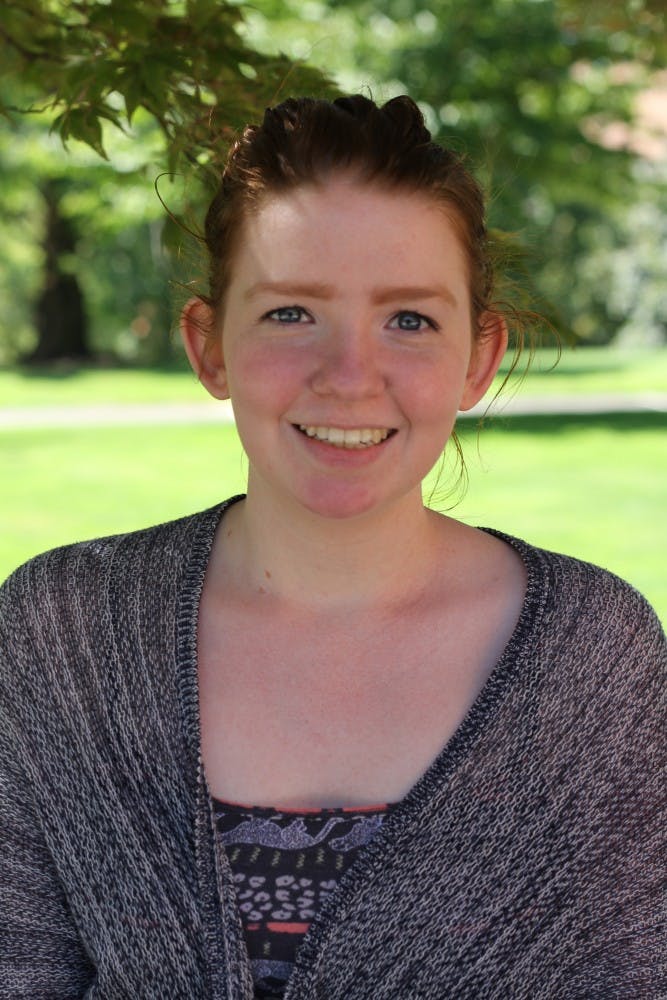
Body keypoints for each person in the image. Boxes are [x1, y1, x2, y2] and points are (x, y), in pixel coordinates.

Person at [0, 95, 664, 1000]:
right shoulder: (59, 637)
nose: (350, 377)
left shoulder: (594, 662)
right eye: (290, 314)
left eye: (409, 320)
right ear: (209, 347)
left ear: (477, 359)